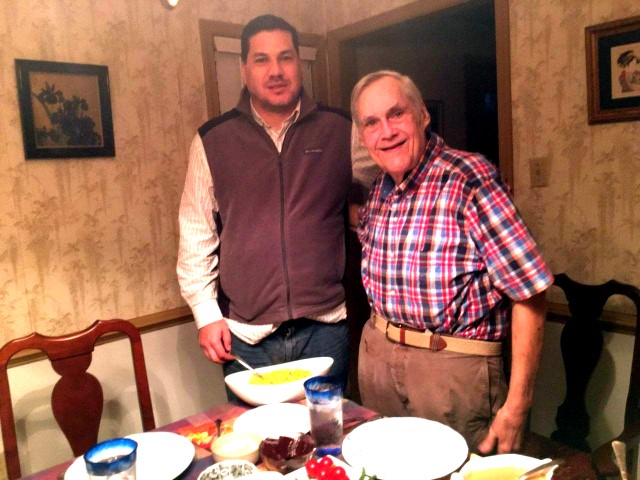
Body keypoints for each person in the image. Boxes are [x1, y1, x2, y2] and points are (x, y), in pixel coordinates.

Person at [350, 70, 553, 453]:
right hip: (377, 359)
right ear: (363, 137)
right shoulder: (379, 190)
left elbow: (530, 292)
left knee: (462, 474)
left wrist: (517, 405)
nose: (386, 131)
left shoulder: (471, 178)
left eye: (396, 113)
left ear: (423, 115)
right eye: (371, 122)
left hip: (450, 371)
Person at [177, 14, 352, 396]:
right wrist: (205, 315)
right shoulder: (212, 140)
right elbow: (195, 234)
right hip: (246, 337)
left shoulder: (341, 129)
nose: (276, 71)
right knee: (254, 434)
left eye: (285, 57)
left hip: (325, 328)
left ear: (299, 64)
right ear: (244, 69)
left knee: (326, 430)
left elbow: (390, 180)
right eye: (262, 60)